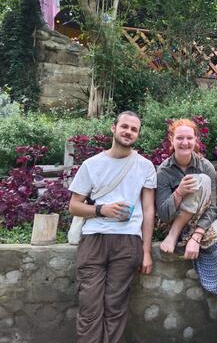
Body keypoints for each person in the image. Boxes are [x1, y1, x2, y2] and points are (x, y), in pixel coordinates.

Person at [156, 119, 217, 340]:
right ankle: (175, 233)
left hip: (204, 221)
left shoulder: (206, 166)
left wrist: (197, 235)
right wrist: (179, 193)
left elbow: (213, 208)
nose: (184, 142)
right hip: (174, 224)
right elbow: (162, 213)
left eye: (189, 138)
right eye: (179, 138)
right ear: (171, 140)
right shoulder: (163, 171)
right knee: (199, 181)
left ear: (196, 140)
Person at [68, 111, 156, 343]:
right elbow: (74, 206)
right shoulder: (91, 165)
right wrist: (101, 210)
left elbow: (149, 210)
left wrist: (146, 251)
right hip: (94, 240)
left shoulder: (145, 166)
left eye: (134, 129)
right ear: (113, 127)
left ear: (138, 134)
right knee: (89, 307)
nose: (128, 132)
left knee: (115, 308)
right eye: (124, 126)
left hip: (128, 241)